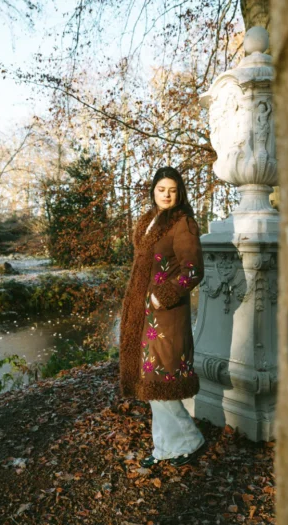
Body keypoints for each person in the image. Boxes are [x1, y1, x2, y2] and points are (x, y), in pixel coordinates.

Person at [119, 166, 205, 467]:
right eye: (161, 189)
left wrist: (162, 295)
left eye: (172, 190)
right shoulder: (149, 221)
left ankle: (190, 441)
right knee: (152, 384)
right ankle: (165, 448)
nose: (166, 195)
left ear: (179, 192)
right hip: (143, 316)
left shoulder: (184, 223)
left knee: (162, 382)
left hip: (165, 316)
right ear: (153, 191)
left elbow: (192, 270)